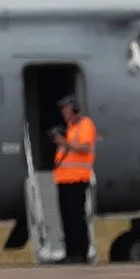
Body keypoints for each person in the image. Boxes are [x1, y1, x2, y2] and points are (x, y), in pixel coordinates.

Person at [50, 95, 98, 264]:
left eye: (66, 108)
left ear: (75, 109)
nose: (63, 112)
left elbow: (85, 147)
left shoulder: (85, 124)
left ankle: (80, 254)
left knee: (77, 218)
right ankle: (71, 253)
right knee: (67, 219)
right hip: (64, 180)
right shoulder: (70, 127)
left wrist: (65, 143)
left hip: (77, 180)